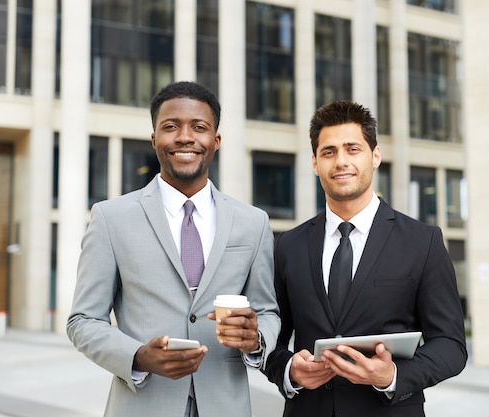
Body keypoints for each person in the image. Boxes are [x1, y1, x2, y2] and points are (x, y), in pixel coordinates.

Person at [67, 81, 280, 417]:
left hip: (227, 405)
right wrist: (137, 356)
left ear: (216, 141)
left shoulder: (253, 222)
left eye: (199, 127)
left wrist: (256, 340)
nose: (185, 137)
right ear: (154, 139)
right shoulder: (111, 218)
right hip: (142, 405)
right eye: (170, 127)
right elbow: (83, 320)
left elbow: (267, 311)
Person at [263, 100, 467, 417]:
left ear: (375, 156)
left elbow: (451, 345)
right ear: (315, 163)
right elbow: (271, 339)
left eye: (352, 149)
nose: (341, 161)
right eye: (329, 152)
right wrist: (289, 370)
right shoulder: (288, 245)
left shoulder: (422, 242)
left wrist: (394, 376)